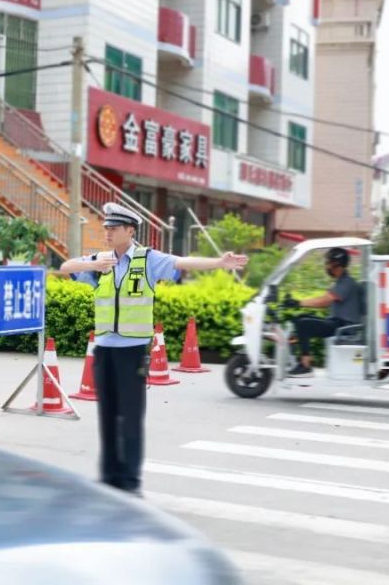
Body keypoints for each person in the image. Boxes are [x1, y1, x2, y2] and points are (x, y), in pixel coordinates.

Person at [59, 203, 248, 495]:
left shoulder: (147, 259)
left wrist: (218, 262)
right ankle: (110, 479)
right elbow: (65, 268)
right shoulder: (101, 261)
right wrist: (92, 265)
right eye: (106, 228)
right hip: (103, 351)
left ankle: (131, 481)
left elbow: (181, 263)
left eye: (113, 228)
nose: (106, 233)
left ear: (130, 230)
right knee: (107, 417)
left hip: (132, 351)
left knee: (130, 417)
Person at [284, 247, 362, 377]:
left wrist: (298, 302)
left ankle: (305, 366)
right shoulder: (340, 282)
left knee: (304, 324)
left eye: (329, 262)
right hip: (337, 322)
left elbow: (324, 301)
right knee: (299, 319)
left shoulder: (347, 283)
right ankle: (297, 357)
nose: (326, 266)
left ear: (337, 264)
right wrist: (298, 304)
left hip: (344, 327)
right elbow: (323, 302)